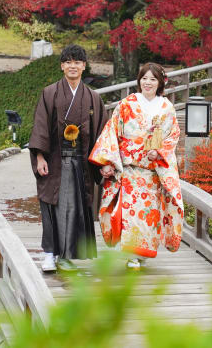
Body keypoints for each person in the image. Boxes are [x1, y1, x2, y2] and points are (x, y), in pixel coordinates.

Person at [89, 62, 184, 269]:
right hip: (130, 170)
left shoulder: (167, 108)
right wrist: (107, 161)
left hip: (152, 172)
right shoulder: (127, 104)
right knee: (131, 214)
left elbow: (173, 135)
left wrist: (158, 152)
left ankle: (142, 253)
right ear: (139, 81)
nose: (148, 83)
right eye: (144, 78)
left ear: (160, 83)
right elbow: (111, 131)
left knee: (149, 216)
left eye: (152, 79)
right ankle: (132, 254)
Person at [28, 44, 107, 272]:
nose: (73, 66)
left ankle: (66, 254)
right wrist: (40, 157)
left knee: (73, 208)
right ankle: (50, 254)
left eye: (77, 62)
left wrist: (103, 163)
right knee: (52, 205)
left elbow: (102, 133)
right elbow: (41, 126)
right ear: (62, 66)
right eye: (68, 62)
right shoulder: (50, 93)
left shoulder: (92, 97)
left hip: (80, 162)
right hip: (54, 160)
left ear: (84, 66)